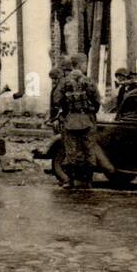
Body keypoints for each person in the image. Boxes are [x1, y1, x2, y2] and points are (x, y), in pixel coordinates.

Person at [52, 53, 110, 188]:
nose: (86, 66)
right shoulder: (88, 81)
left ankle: (71, 181)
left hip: (70, 121)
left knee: (71, 151)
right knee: (89, 150)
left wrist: (67, 111)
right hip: (87, 120)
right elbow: (97, 101)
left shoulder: (64, 81)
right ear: (80, 64)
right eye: (85, 64)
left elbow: (56, 100)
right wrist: (90, 112)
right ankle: (88, 181)